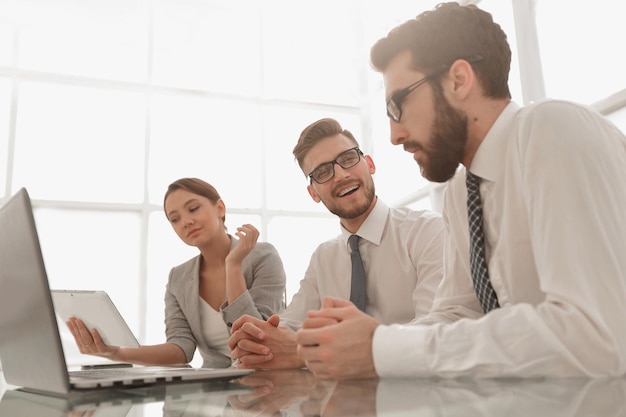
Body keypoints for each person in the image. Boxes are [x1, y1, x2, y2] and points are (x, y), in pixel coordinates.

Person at [295, 2, 626, 380]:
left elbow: (596, 339)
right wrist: (364, 342)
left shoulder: (552, 129)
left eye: (397, 106)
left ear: (458, 79)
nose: (394, 135)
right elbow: (458, 313)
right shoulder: (461, 191)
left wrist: (384, 349)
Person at [227, 117, 445, 369]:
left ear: (370, 164)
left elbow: (437, 328)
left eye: (348, 159)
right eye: (322, 172)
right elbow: (290, 326)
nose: (340, 175)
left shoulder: (427, 231)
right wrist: (261, 340)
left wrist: (309, 350)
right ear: (313, 194)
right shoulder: (323, 257)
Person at [67, 177, 286, 368]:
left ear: (220, 208)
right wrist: (116, 352)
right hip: (215, 390)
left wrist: (233, 266)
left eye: (193, 209)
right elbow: (181, 348)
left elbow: (260, 339)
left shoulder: (263, 256)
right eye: (175, 219)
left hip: (269, 383)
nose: (186, 222)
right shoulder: (178, 278)